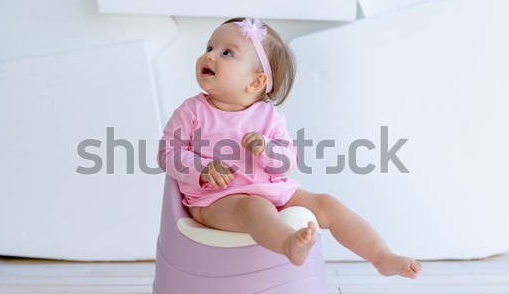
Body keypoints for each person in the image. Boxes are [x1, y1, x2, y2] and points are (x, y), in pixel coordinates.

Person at [158, 17, 422, 278]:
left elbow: (287, 162)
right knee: (255, 208)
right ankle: (288, 244)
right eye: (209, 48)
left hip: (271, 191)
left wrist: (267, 150)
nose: (210, 56)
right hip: (216, 201)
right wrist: (203, 168)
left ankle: (381, 256)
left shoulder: (269, 117)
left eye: (226, 52)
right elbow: (167, 152)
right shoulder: (192, 111)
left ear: (255, 82)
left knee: (327, 204)